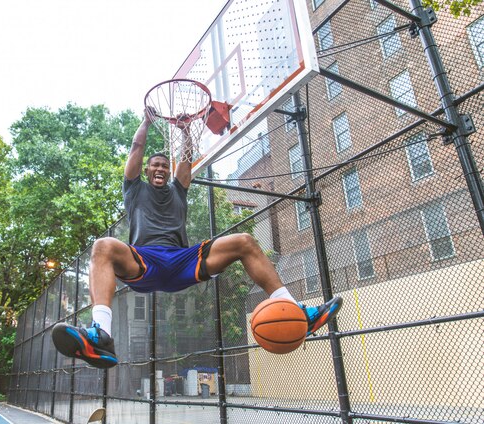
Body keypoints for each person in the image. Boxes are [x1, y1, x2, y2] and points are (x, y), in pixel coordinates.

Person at [52, 109, 342, 369]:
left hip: (181, 261)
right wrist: (146, 122)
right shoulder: (134, 189)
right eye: (155, 165)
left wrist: (186, 130)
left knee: (244, 241)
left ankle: (297, 312)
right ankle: (100, 334)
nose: (160, 168)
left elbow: (187, 159)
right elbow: (136, 147)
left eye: (165, 166)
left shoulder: (178, 190)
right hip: (144, 261)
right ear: (147, 170)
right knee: (103, 246)